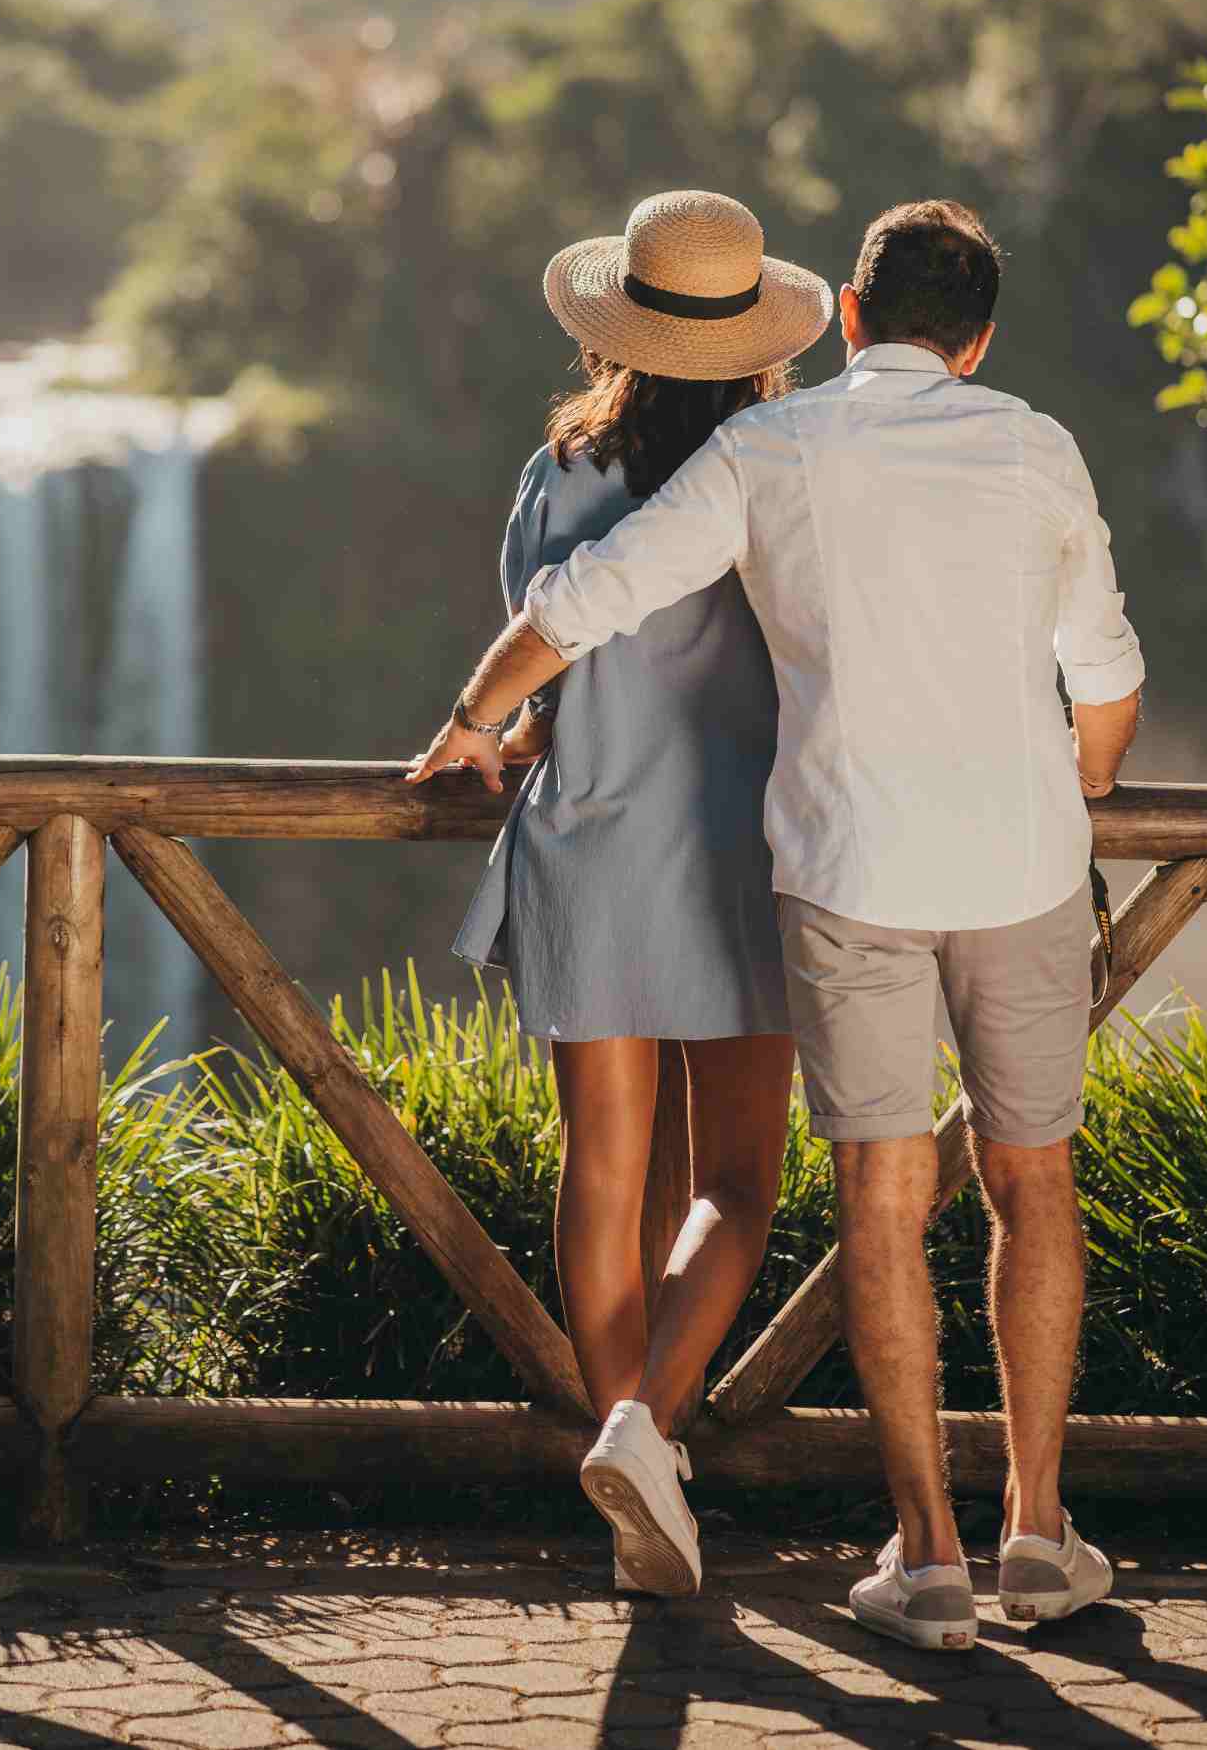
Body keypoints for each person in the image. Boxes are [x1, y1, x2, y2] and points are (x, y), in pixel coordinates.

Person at [408, 198, 1144, 1648]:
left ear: (855, 319)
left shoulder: (742, 459)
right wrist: (1076, 790)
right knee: (1003, 1185)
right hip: (926, 860)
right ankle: (1035, 1535)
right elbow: (1103, 674)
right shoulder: (1023, 445)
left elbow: (571, 608)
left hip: (770, 861)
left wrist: (470, 721)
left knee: (798, 1193)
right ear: (975, 337)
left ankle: (878, 1542)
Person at [426, 189, 833, 1597]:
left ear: (623, 327)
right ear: (756, 335)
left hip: (591, 841)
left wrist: (492, 729)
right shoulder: (790, 466)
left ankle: (629, 1495)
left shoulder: (562, 472)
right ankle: (645, 1439)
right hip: (749, 854)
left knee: (600, 1175)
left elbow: (543, 647)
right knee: (735, 1181)